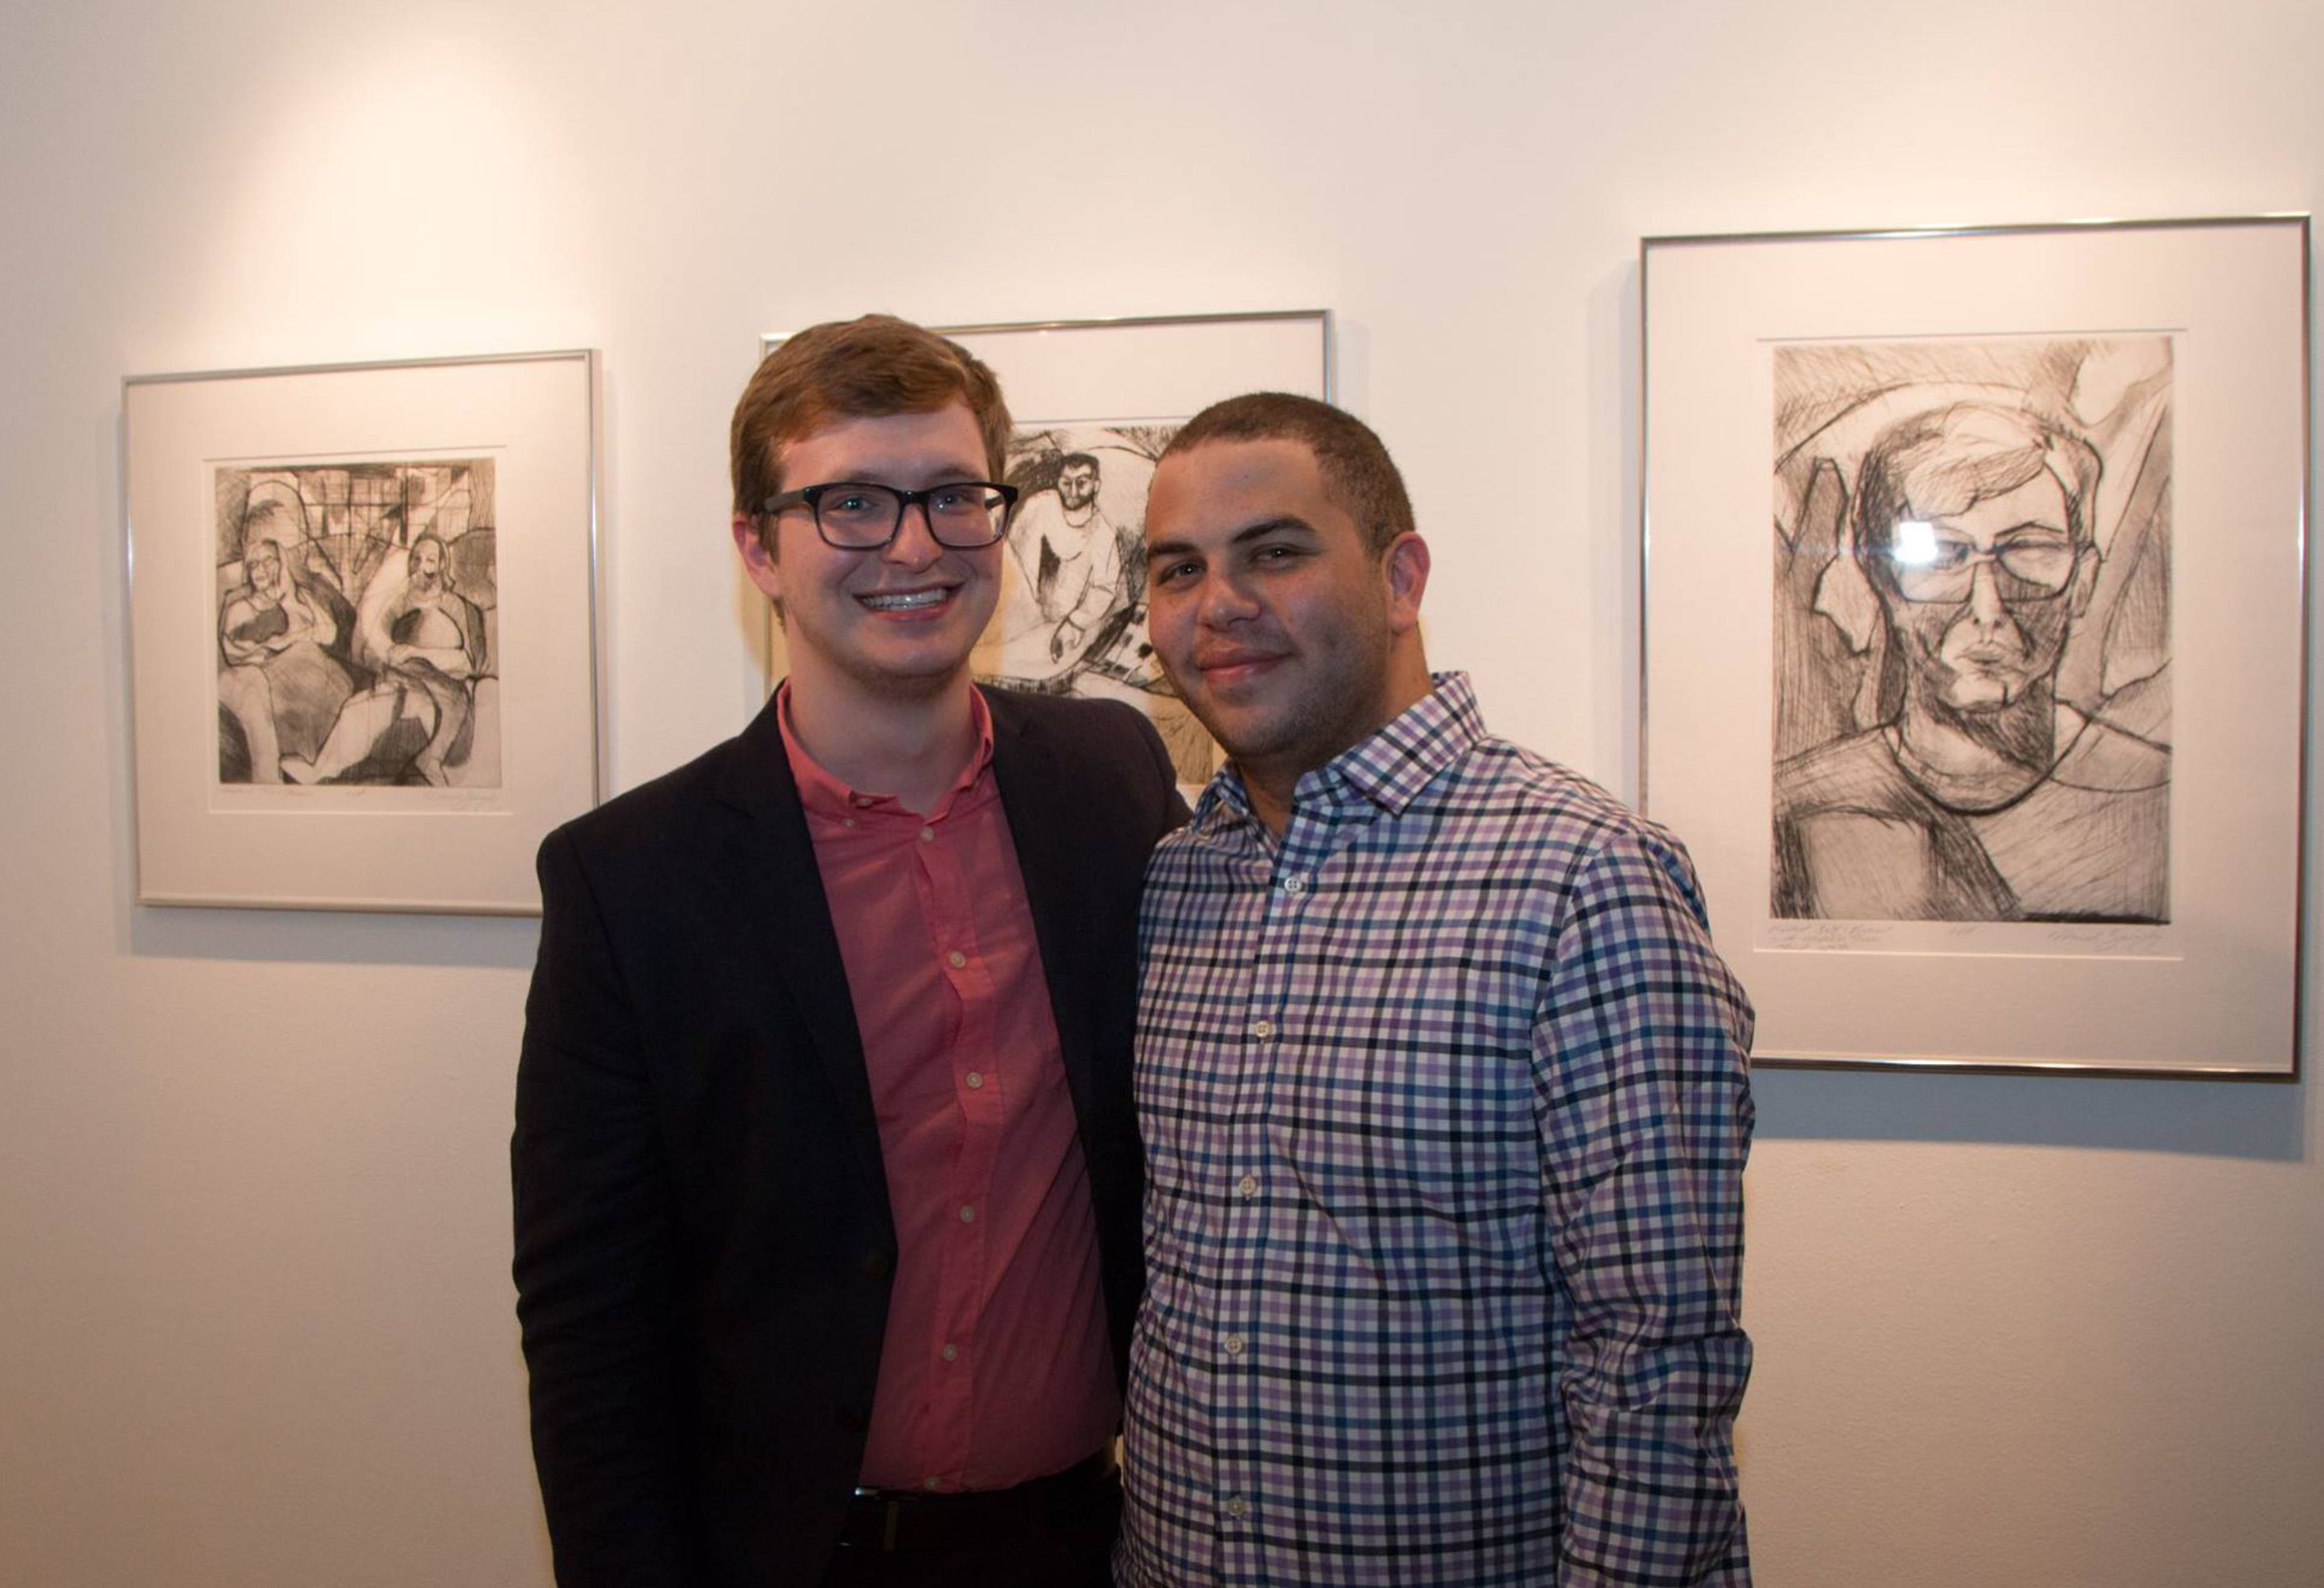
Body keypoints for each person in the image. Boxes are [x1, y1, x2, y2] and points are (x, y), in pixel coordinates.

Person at [511, 314, 1185, 1588]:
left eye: (950, 497)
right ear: (757, 548)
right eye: (852, 505)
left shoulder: (1114, 783)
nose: (914, 545)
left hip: (1091, 1547)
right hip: (793, 1554)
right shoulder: (632, 880)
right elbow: (590, 1324)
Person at [1117, 392, 1754, 1586]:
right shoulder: (1180, 880)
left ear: (1400, 577)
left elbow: (1659, 1361)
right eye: (1177, 568)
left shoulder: (1581, 876)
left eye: (1275, 551)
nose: (1218, 604)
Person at [1772, 401, 2169, 921]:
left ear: (2083, 580)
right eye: (1943, 556)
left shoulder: (2160, 798)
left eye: (2029, 550)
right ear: (1883, 581)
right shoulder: (1792, 810)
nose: (1988, 608)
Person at [281, 533, 489, 786]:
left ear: (443, 565)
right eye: (416, 559)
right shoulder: (399, 602)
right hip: (402, 684)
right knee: (358, 708)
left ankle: (431, 762)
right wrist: (391, 653)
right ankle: (320, 771)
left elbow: (469, 663)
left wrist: (418, 653)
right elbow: (376, 640)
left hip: (447, 693)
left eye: (430, 560)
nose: (421, 567)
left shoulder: (457, 606)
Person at [215, 511, 353, 782]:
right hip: (277, 682)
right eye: (254, 564)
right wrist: (295, 639)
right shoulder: (240, 606)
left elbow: (329, 632)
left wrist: (290, 611)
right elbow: (236, 652)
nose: (262, 570)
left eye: (269, 561)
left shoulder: (300, 598)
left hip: (323, 683)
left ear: (282, 562)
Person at [1005, 452, 1125, 665]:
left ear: (1096, 485)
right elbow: (1010, 552)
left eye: (1082, 483)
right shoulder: (1038, 506)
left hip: (1059, 626)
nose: (1073, 490)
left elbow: (1104, 588)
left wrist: (1075, 623)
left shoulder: (1103, 534)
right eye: (1066, 482)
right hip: (1015, 615)